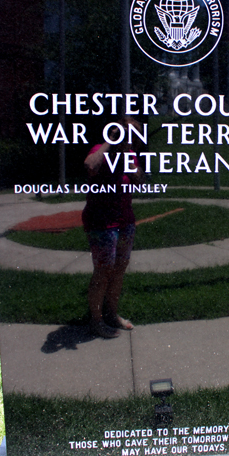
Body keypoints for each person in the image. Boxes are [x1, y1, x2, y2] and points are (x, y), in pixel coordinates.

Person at [82, 118, 144, 338]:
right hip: (102, 224)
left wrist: (129, 157)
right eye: (127, 133)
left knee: (118, 271)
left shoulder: (129, 155)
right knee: (103, 272)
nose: (131, 138)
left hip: (125, 222)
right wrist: (111, 141)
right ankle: (96, 321)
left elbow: (138, 180)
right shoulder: (101, 150)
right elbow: (90, 165)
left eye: (134, 135)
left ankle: (112, 315)